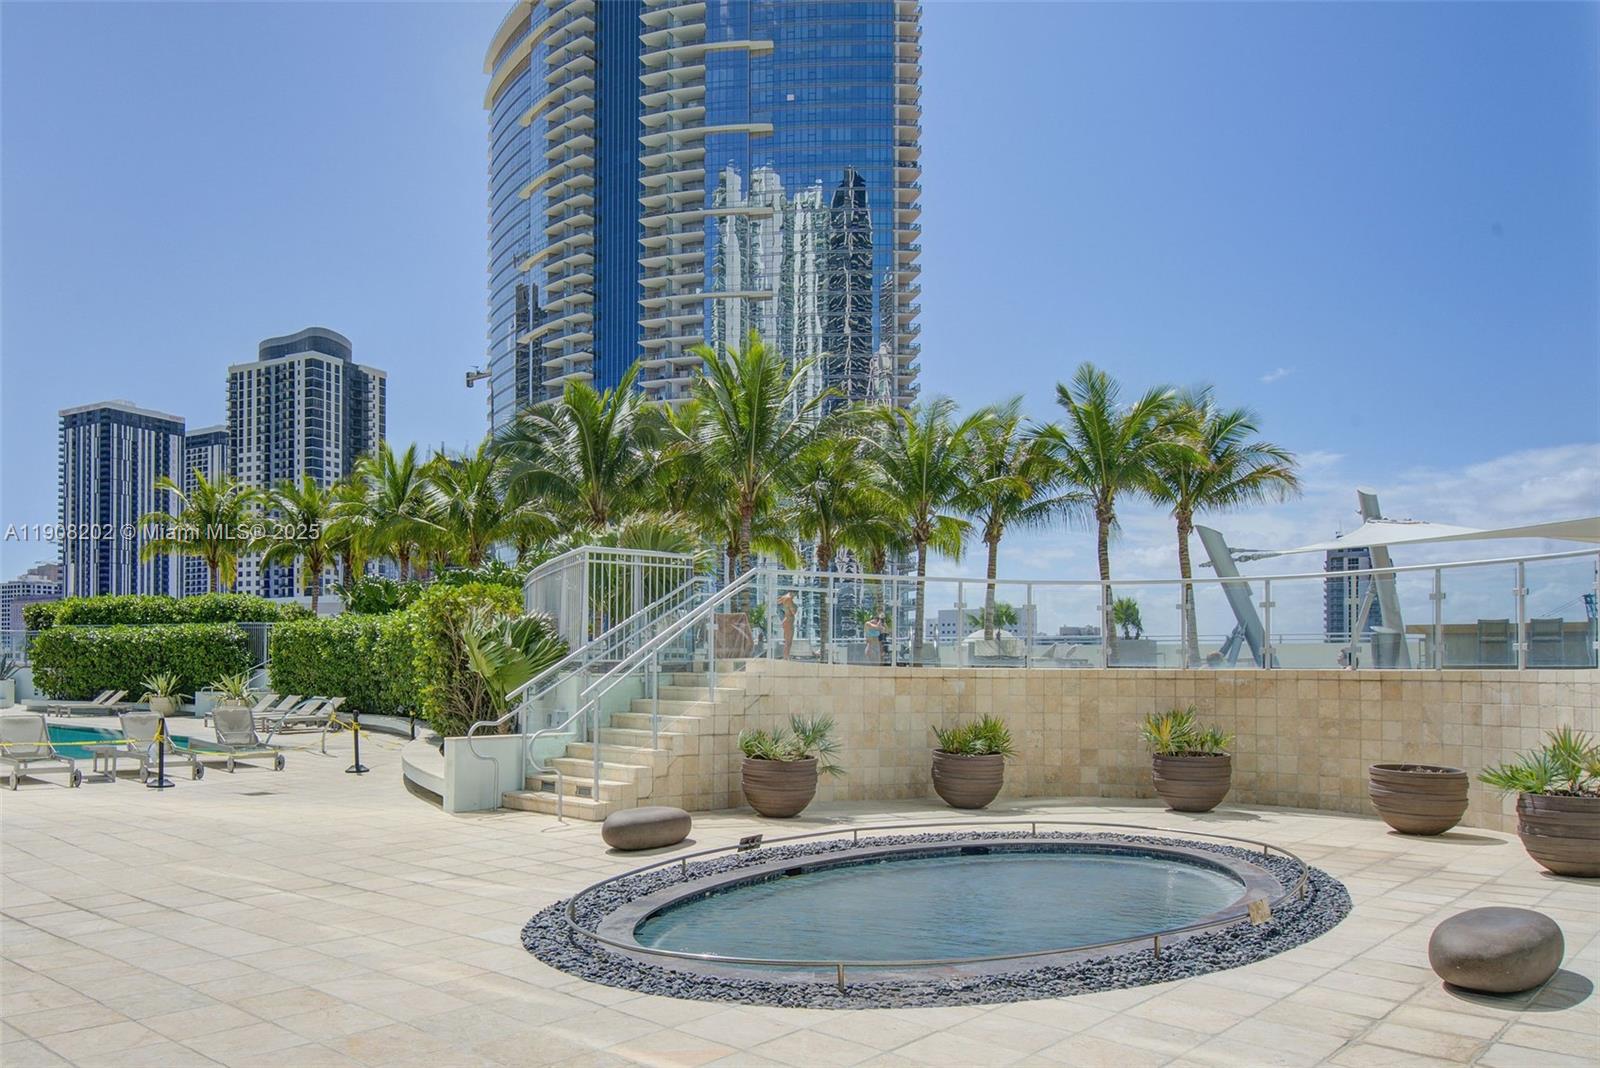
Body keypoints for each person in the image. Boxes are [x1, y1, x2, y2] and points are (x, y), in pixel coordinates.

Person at [777, 591, 796, 659]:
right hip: (788, 620)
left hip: (786, 620)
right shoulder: (789, 599)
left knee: (787, 640)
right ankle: (786, 656)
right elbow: (793, 612)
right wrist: (795, 607)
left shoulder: (784, 598)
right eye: (795, 594)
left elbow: (777, 602)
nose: (795, 596)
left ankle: (786, 655)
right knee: (788, 640)